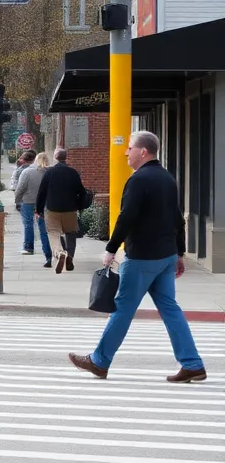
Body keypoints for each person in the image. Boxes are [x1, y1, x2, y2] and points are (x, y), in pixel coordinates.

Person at [69, 131, 207, 383]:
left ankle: (99, 361)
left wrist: (111, 249)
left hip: (142, 256)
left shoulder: (139, 180)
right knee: (170, 309)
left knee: (122, 309)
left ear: (143, 152)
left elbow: (127, 217)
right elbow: (177, 219)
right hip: (165, 256)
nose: (126, 152)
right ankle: (193, 364)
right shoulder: (167, 178)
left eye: (130, 148)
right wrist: (179, 253)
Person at [35, 147, 86, 273]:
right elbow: (82, 192)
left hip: (52, 209)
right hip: (70, 209)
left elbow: (41, 192)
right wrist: (78, 206)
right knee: (71, 234)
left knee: (53, 233)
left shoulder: (49, 173)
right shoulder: (73, 173)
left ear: (55, 158)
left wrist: (38, 210)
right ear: (65, 158)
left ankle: (59, 253)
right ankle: (70, 257)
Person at [15, 151, 54, 266]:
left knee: (28, 224)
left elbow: (21, 188)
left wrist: (17, 201)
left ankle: (28, 246)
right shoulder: (50, 173)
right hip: (45, 204)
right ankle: (48, 254)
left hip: (28, 202)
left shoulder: (27, 172)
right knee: (44, 229)